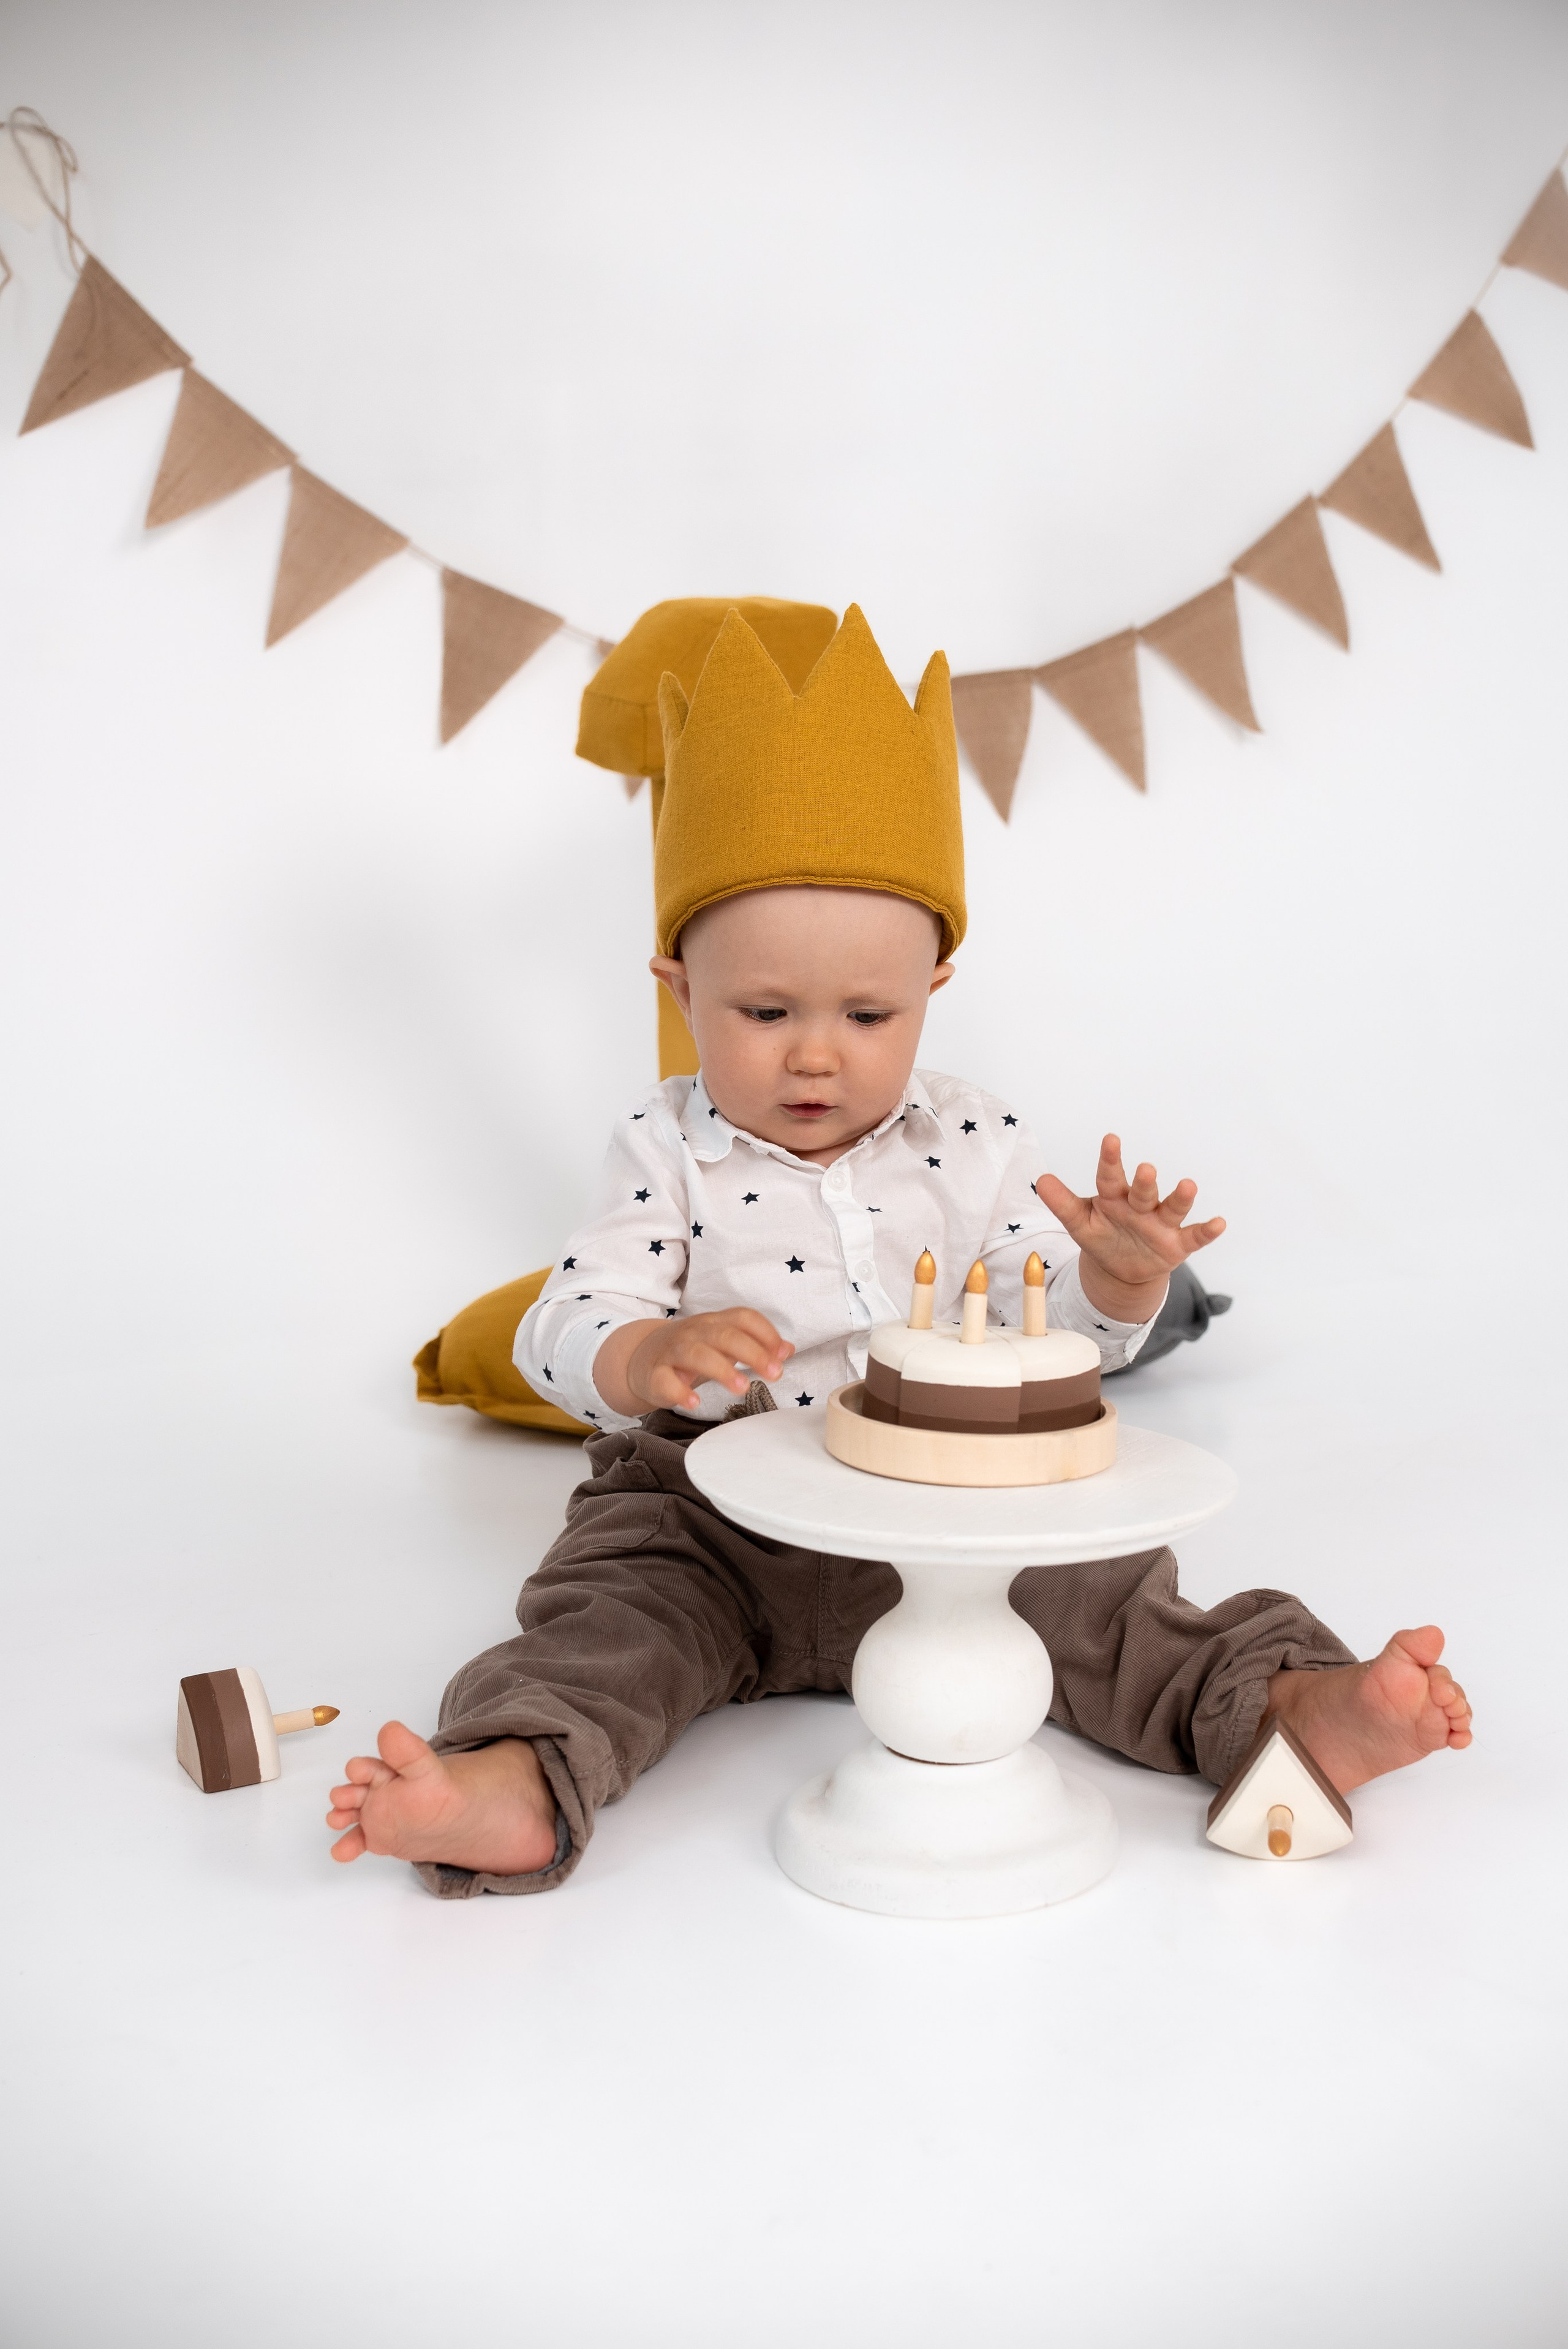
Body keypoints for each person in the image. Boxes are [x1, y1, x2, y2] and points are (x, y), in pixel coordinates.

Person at [325, 603, 1471, 1895]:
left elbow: (1055, 1337)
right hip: (718, 1512)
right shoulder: (665, 1145)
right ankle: (513, 1780)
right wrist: (646, 1347)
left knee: (1115, 1605)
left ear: (931, 989)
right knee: (607, 1619)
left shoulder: (971, 1136)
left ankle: (1293, 1712)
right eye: (763, 1010)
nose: (815, 1051)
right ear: (676, 988)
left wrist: (1116, 1280)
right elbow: (565, 1319)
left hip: (955, 1512)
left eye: (866, 1012)